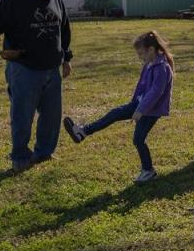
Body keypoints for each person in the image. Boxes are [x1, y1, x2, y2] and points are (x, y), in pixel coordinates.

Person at [0, 0, 72, 171]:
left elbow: (64, 32)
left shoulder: (57, 1)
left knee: (51, 116)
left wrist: (67, 58)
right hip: (24, 69)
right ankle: (20, 157)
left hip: (51, 68)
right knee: (22, 115)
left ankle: (44, 152)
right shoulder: (15, 1)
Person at [63, 31, 174, 183]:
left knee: (138, 139)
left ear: (151, 50)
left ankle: (149, 171)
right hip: (139, 105)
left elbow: (155, 93)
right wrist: (134, 104)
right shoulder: (149, 64)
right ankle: (83, 132)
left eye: (141, 53)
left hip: (151, 110)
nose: (139, 57)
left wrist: (140, 111)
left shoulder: (162, 67)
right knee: (115, 113)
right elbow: (141, 86)